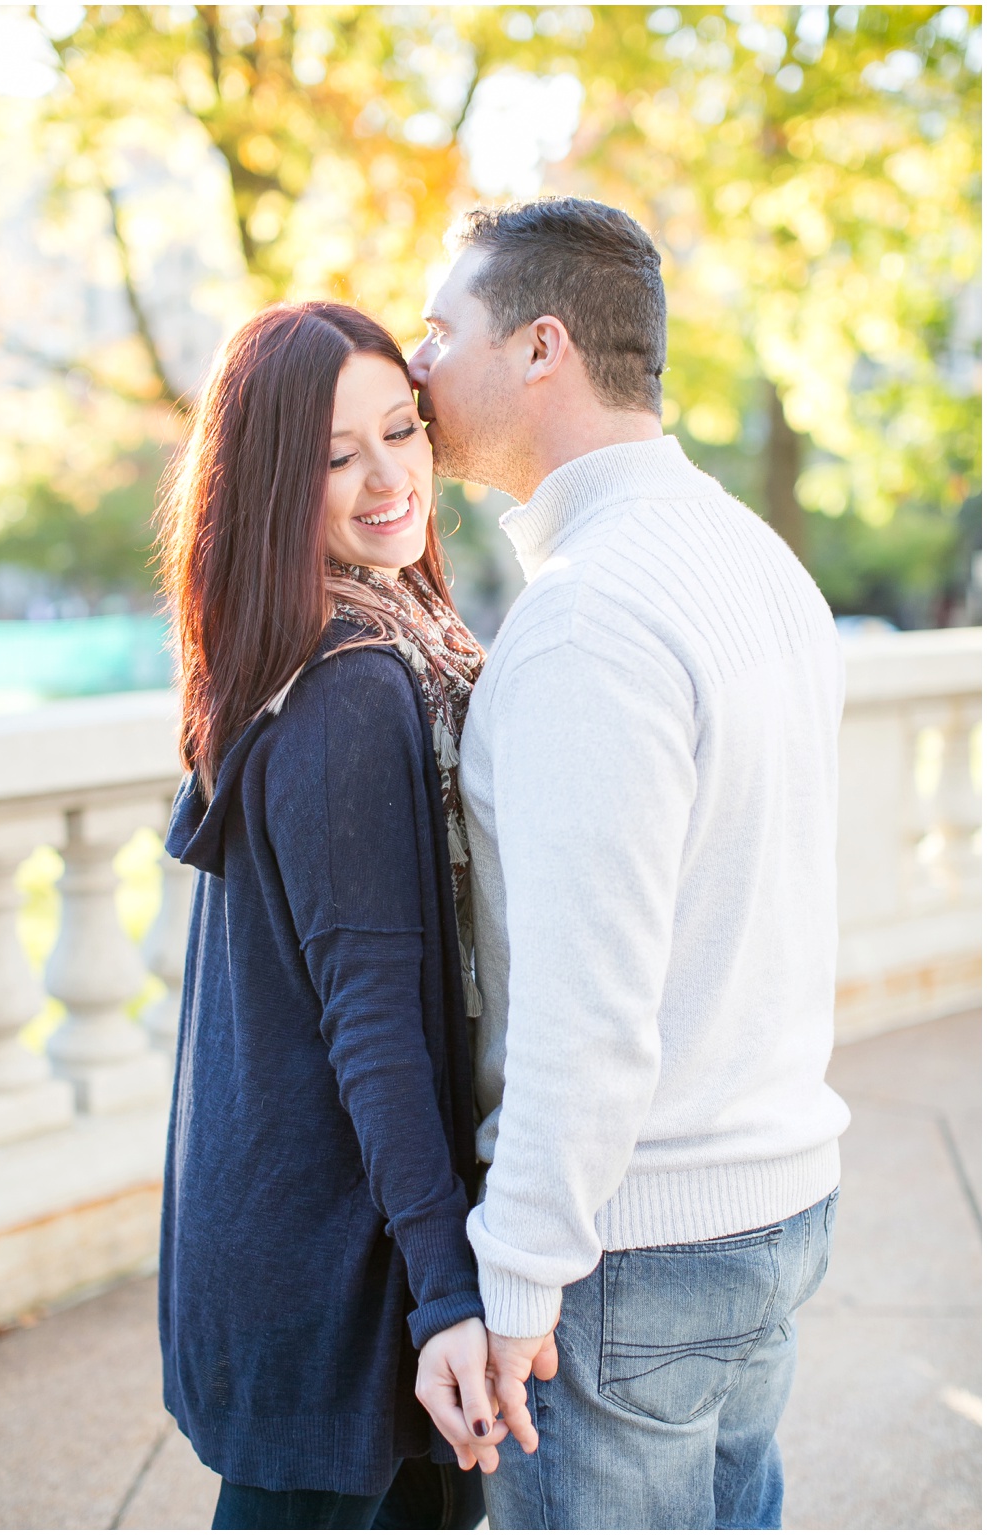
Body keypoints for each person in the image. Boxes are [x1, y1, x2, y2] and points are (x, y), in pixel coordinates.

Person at [406, 197, 848, 1530]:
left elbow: (585, 1008)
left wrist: (518, 1281)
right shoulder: (756, 561)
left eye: (441, 327)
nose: (418, 360)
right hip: (772, 1204)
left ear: (541, 348)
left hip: (626, 1253)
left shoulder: (590, 617)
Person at [155, 300, 499, 1530]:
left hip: (299, 1220)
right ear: (265, 482)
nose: (383, 479)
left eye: (399, 432)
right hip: (333, 1259)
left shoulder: (330, 643)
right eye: (331, 456)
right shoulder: (350, 686)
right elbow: (372, 1023)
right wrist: (445, 1291)